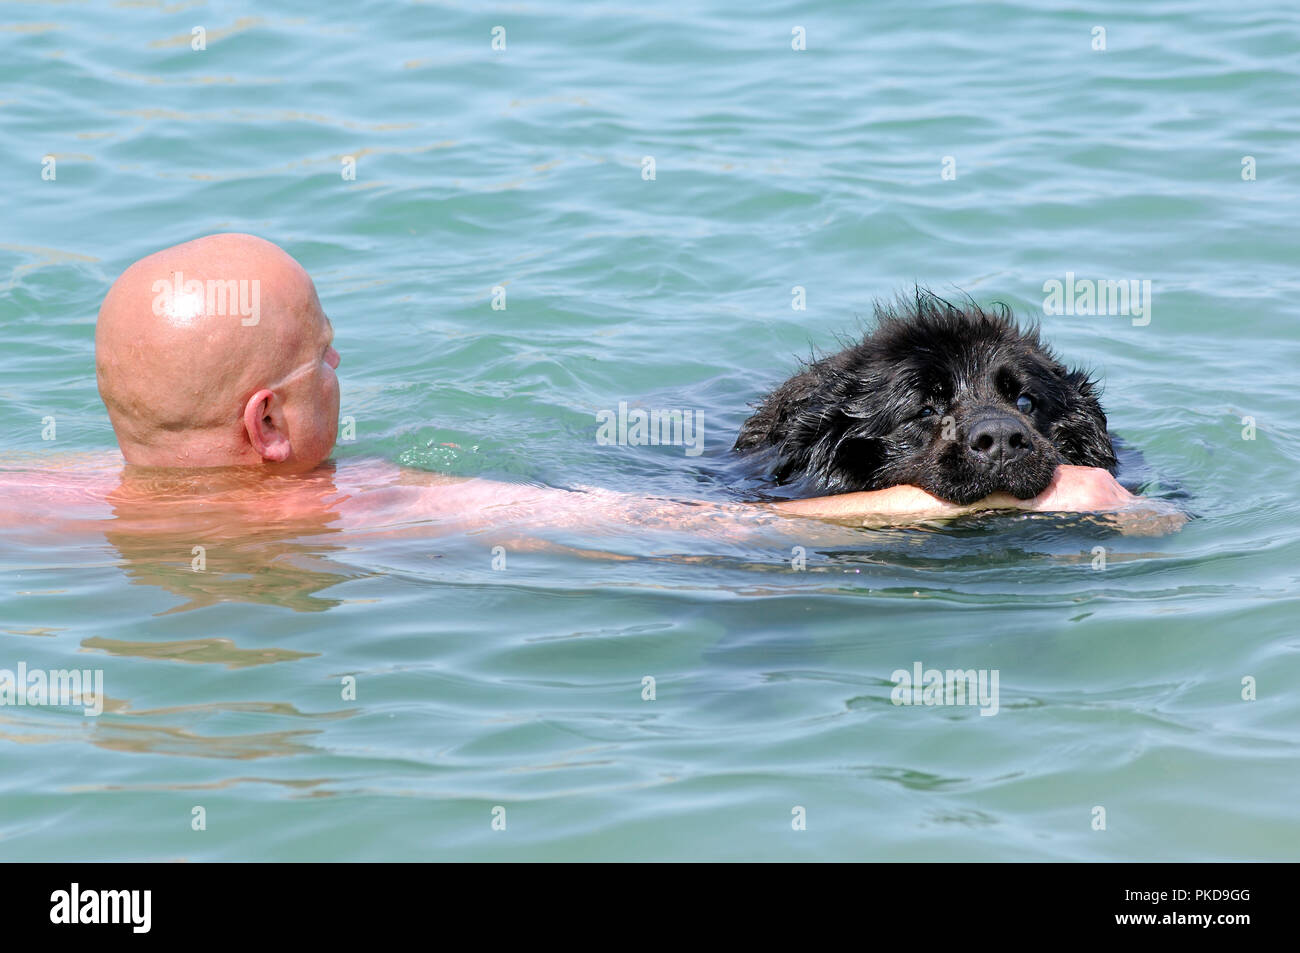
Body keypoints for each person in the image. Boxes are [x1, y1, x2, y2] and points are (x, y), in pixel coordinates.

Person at [1, 233, 1161, 545]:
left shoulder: (47, 500)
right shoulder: (384, 505)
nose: (342, 370)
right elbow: (701, 535)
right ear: (269, 421)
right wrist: (1062, 501)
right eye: (327, 357)